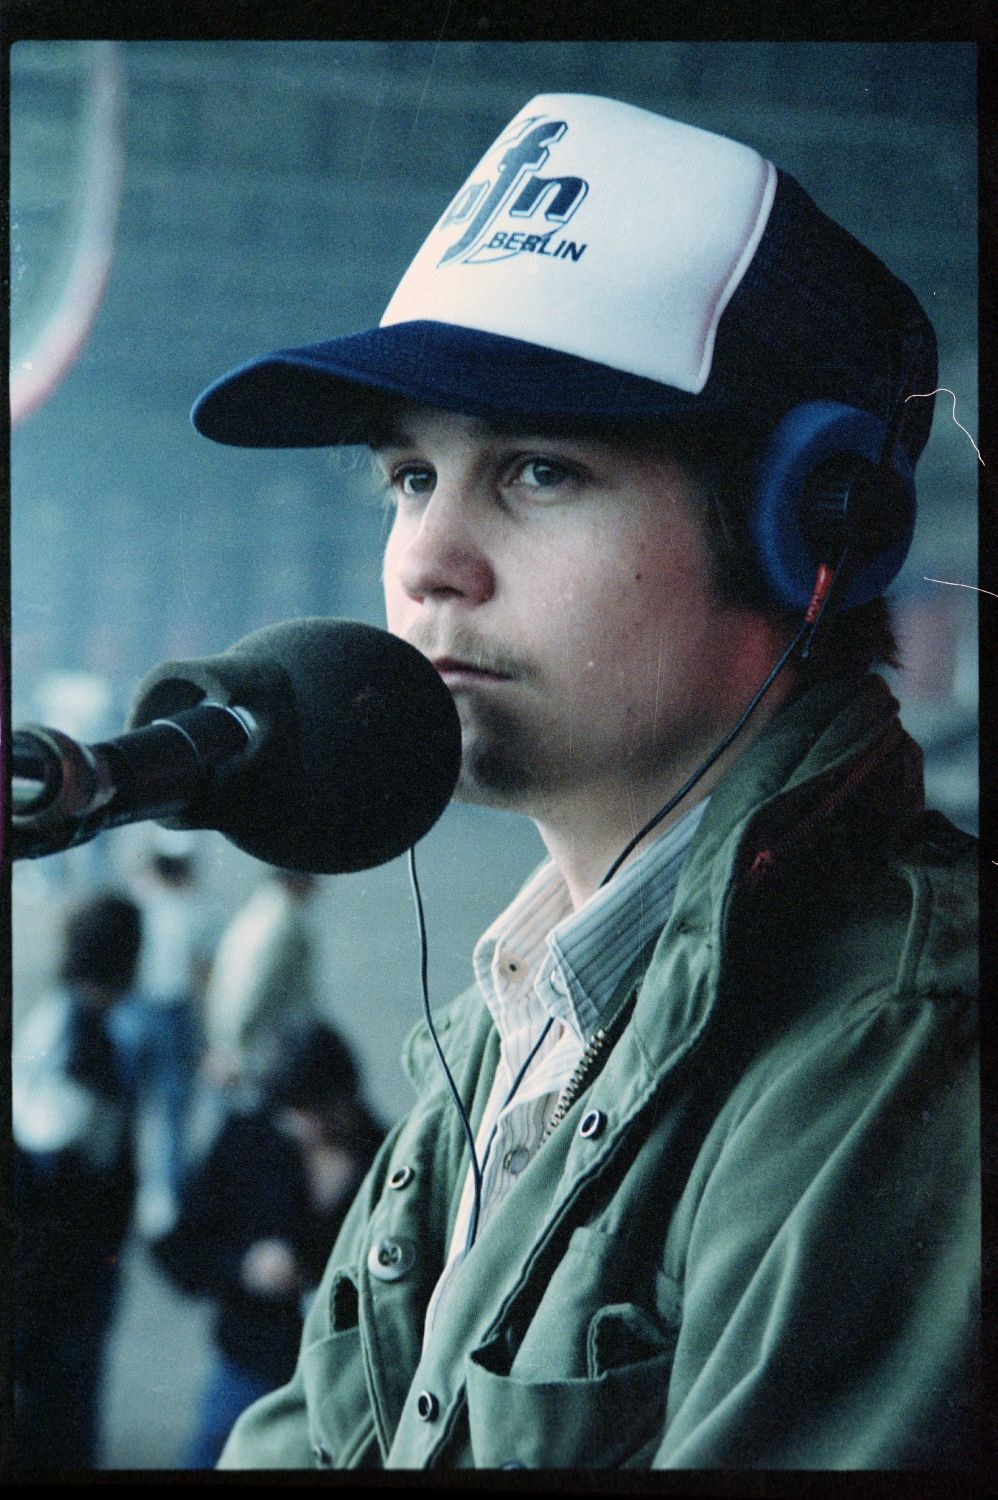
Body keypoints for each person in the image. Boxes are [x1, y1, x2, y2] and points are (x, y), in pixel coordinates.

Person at [188, 95, 979, 1470]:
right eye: (408, 475)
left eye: (537, 471)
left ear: (809, 531)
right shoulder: (506, 1026)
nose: (426, 560)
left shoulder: (905, 1052)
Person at [150, 1021, 385, 1469]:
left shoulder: (386, 1158)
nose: (310, 1128)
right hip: (250, 1365)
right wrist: (244, 1267)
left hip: (344, 1381)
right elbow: (178, 1250)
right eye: (296, 1115)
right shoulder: (248, 1140)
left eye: (323, 1111)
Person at [12, 891, 143, 1472]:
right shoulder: (85, 1052)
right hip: (71, 1269)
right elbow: (61, 1173)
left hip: (53, 1265)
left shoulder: (52, 1017)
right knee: (62, 1411)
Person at [111, 829, 217, 1231]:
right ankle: (162, 1189)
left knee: (147, 1103)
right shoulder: (197, 908)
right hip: (165, 1013)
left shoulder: (143, 898)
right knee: (170, 1106)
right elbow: (203, 976)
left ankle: (148, 1185)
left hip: (145, 1010)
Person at [201, 868, 323, 1091]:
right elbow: (254, 987)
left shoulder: (255, 912)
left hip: (244, 1046)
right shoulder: (283, 922)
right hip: (264, 1053)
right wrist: (233, 1049)